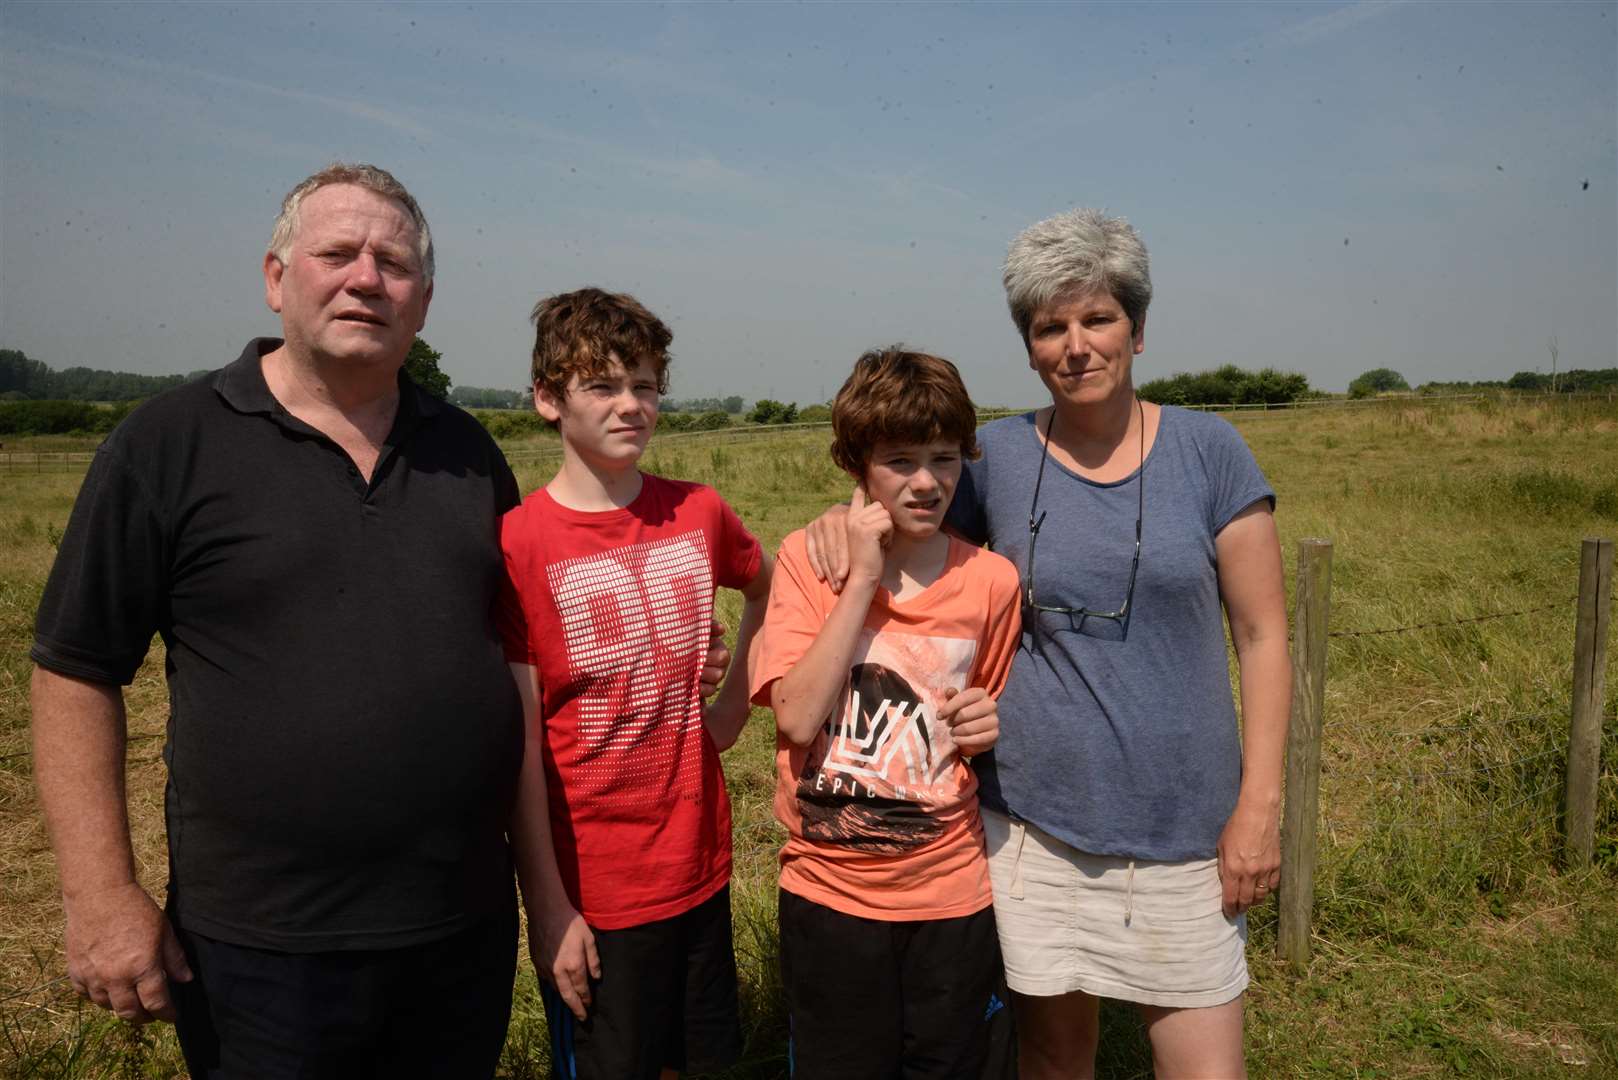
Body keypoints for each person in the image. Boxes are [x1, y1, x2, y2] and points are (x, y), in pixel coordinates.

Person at [30, 163, 530, 1077]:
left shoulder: (469, 453)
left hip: (460, 930)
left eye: (394, 263)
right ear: (276, 278)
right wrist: (101, 895)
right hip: (262, 951)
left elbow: (519, 656)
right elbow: (75, 669)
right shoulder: (168, 443)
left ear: (424, 301)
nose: (367, 277)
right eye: (337, 252)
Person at [805, 210, 1290, 1079]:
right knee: (1054, 1061)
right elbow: (902, 517)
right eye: (1049, 327)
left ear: (1138, 328)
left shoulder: (1210, 453)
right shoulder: (991, 456)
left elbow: (1262, 635)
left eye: (1097, 318)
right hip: (1031, 828)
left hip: (1185, 825)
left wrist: (1258, 807)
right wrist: (838, 531)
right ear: (1028, 347)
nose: (1076, 345)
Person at [496, 287, 772, 1080]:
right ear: (549, 400)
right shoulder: (520, 544)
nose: (631, 405)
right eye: (604, 386)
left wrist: (730, 707)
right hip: (596, 886)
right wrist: (548, 908)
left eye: (646, 385)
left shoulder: (699, 510)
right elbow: (519, 746)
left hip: (700, 863)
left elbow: (765, 587)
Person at [749, 347, 1020, 1079]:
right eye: (900, 461)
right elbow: (798, 718)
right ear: (857, 466)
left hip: (951, 894)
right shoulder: (811, 560)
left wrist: (984, 722)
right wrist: (863, 578)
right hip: (830, 896)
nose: (927, 482)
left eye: (945, 457)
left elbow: (984, 713)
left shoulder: (991, 582)